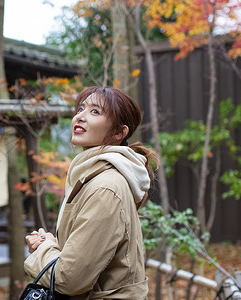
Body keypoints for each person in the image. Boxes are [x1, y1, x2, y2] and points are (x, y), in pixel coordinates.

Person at [24, 86, 158, 299]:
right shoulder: (91, 177)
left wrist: (44, 248)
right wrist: (50, 245)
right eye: (80, 109)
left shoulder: (106, 187)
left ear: (118, 133)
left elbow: (69, 279)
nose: (80, 117)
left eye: (95, 112)